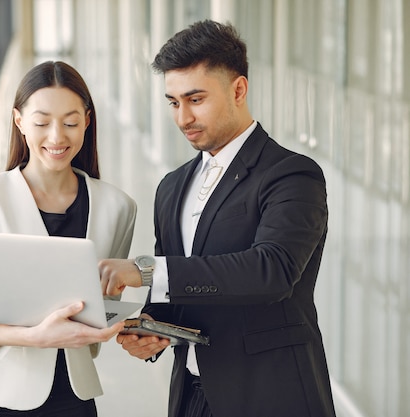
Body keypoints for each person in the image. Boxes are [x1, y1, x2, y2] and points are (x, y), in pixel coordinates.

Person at [98, 20, 336, 417]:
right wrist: (155, 329)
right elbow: (177, 294)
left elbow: (271, 271)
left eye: (196, 99)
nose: (182, 117)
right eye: (173, 102)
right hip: (192, 396)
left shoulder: (291, 174)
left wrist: (144, 271)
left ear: (238, 89)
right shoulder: (171, 188)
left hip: (272, 394)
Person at [0, 61, 137, 417]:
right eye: (41, 122)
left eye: (69, 122)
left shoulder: (117, 207)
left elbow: (102, 305)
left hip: (73, 396)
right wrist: (36, 338)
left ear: (87, 121)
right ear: (19, 121)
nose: (56, 137)